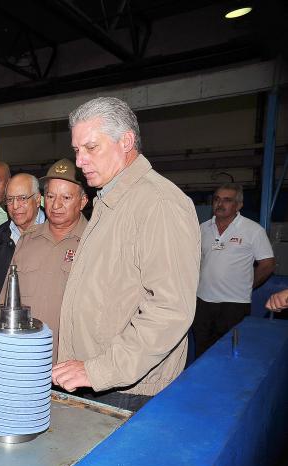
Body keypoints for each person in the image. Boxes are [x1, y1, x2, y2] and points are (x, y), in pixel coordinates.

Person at [53, 96, 200, 412]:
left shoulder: (158, 204)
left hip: (126, 386)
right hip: (94, 378)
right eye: (77, 150)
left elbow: (170, 309)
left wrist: (99, 370)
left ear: (126, 142)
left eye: (91, 148)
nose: (80, 161)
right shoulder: (108, 202)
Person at [0, 159, 87, 360]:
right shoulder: (27, 240)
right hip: (27, 360)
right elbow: (6, 302)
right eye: (50, 196)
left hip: (74, 365)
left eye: (66, 197)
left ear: (82, 201)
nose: (56, 205)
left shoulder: (95, 243)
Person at [192, 183, 275, 356]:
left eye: (227, 200)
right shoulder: (202, 228)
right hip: (202, 303)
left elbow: (267, 264)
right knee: (201, 351)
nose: (220, 204)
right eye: (216, 199)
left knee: (230, 353)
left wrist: (248, 285)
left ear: (238, 205)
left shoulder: (253, 230)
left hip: (234, 304)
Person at [0, 173, 45, 309]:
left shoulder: (54, 232)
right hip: (6, 322)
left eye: (22, 198)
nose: (15, 206)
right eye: (10, 200)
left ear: (37, 200)